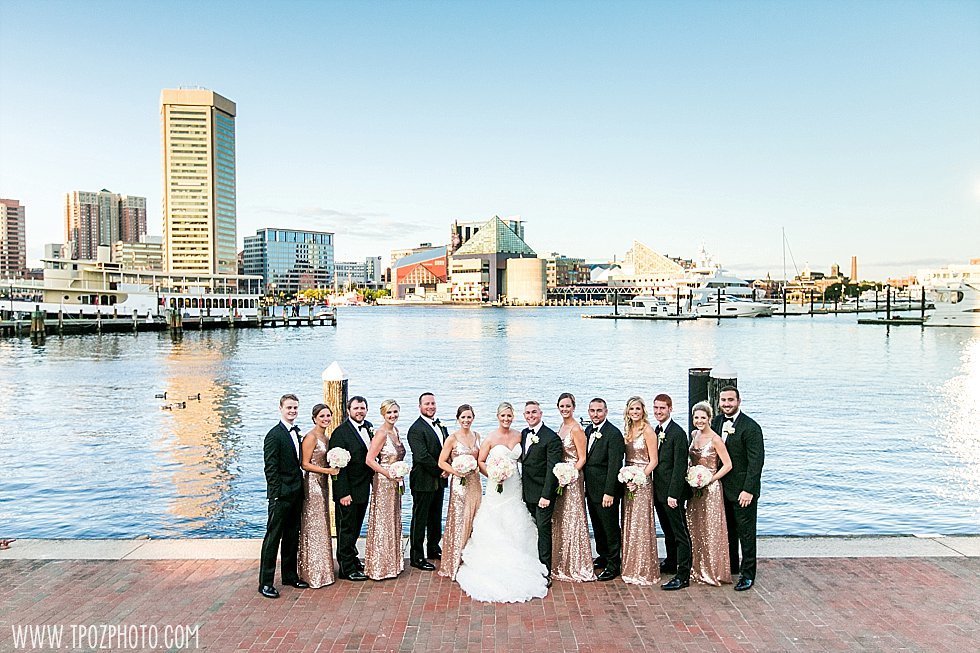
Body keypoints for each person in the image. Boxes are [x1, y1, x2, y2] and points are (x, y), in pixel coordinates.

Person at [455, 402, 549, 602]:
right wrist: (494, 474)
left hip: (515, 485)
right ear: (498, 417)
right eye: (503, 416)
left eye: (509, 416)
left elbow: (529, 457)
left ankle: (526, 556)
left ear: (513, 416)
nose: (506, 419)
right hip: (496, 486)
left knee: (517, 516)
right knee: (495, 518)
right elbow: (481, 462)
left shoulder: (520, 435)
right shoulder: (490, 438)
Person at [711, 386, 765, 591]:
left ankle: (748, 574)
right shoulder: (715, 422)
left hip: (743, 490)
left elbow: (756, 462)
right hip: (721, 489)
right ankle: (732, 566)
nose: (726, 404)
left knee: (746, 533)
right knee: (728, 531)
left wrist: (748, 490)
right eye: (723, 400)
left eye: (730, 400)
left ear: (739, 401)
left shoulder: (751, 427)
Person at [258, 394, 310, 598]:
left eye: (295, 408)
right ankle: (265, 583)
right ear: (280, 408)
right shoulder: (274, 435)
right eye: (289, 407)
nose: (293, 411)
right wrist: (277, 494)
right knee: (273, 538)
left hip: (297, 492)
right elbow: (270, 468)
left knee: (291, 535)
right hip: (281, 495)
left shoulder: (296, 433)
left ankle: (289, 575)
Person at [328, 396, 374, 581]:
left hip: (363, 488)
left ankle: (353, 559)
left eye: (362, 408)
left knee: (355, 528)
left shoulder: (369, 427)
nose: (359, 411)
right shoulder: (340, 433)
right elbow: (336, 468)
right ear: (348, 410)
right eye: (356, 408)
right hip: (348, 491)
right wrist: (343, 493)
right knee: (346, 529)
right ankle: (346, 568)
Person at [551, 393, 596, 583]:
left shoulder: (577, 429)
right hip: (561, 477)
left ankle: (577, 563)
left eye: (568, 406)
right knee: (560, 518)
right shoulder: (561, 426)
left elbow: (582, 458)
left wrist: (569, 474)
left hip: (572, 477)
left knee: (573, 517)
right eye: (562, 406)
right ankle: (560, 560)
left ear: (574, 407)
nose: (564, 409)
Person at [688, 401, 734, 586]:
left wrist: (711, 479)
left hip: (711, 488)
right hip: (695, 487)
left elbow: (728, 464)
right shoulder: (693, 434)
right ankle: (698, 568)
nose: (699, 421)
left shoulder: (715, 439)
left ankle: (713, 571)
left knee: (711, 529)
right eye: (696, 417)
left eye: (703, 417)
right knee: (696, 527)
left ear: (709, 418)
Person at [651, 393, 693, 591]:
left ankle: (683, 574)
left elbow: (679, 467)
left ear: (670, 409)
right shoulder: (656, 430)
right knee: (667, 530)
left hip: (672, 493)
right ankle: (671, 561)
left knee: (679, 533)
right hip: (658, 492)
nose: (659, 411)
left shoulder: (677, 433)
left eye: (662, 408)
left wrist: (674, 495)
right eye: (656, 408)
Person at [436, 404, 483, 580]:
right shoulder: (452, 438)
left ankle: (472, 561)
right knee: (459, 520)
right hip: (459, 484)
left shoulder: (477, 436)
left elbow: (481, 461)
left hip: (475, 483)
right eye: (463, 417)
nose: (466, 420)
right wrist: (457, 472)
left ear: (473, 418)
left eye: (469, 417)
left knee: (474, 519)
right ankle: (454, 562)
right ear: (458, 419)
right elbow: (442, 462)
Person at [519, 400, 563, 587]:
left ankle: (545, 571)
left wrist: (546, 496)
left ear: (541, 413)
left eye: (534, 412)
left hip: (543, 495)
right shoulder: (523, 434)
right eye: (528, 413)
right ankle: (531, 564)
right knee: (531, 529)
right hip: (526, 492)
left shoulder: (551, 438)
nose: (531, 416)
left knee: (543, 531)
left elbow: (552, 469)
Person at [297, 403, 340, 588]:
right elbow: (304, 464)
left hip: (323, 483)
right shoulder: (311, 437)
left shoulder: (326, 436)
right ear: (314, 418)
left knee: (322, 523)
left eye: (328, 416)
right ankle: (313, 572)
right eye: (322, 416)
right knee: (314, 524)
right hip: (313, 483)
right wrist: (327, 471)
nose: (325, 419)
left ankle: (324, 569)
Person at [364, 399, 407, 580]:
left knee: (393, 518)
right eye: (389, 413)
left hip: (395, 481)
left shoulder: (395, 431)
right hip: (384, 482)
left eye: (395, 412)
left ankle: (392, 563)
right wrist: (388, 473)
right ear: (383, 414)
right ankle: (379, 566)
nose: (393, 415)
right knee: (383, 520)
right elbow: (370, 460)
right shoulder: (381, 434)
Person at [584, 397, 626, 581]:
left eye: (599, 411)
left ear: (606, 412)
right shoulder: (587, 430)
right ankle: (602, 555)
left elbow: (614, 465)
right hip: (591, 489)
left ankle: (613, 564)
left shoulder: (613, 434)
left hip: (606, 491)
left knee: (610, 527)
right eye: (592, 411)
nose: (595, 414)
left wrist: (609, 492)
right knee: (598, 525)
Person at [620, 396, 660, 587]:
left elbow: (654, 460)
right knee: (628, 521)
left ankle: (644, 569)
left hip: (642, 481)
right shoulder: (628, 430)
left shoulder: (648, 431)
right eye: (631, 409)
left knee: (641, 523)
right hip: (628, 479)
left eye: (637, 409)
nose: (634, 412)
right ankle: (630, 566)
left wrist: (639, 479)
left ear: (643, 411)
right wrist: (627, 477)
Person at [407, 392, 449, 570]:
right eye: (427, 404)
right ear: (420, 407)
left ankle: (433, 548)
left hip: (439, 480)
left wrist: (450, 465)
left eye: (432, 403)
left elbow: (448, 448)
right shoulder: (415, 429)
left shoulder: (440, 426)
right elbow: (421, 456)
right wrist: (442, 469)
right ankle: (417, 556)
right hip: (423, 480)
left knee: (435, 516)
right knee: (420, 518)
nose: (430, 406)